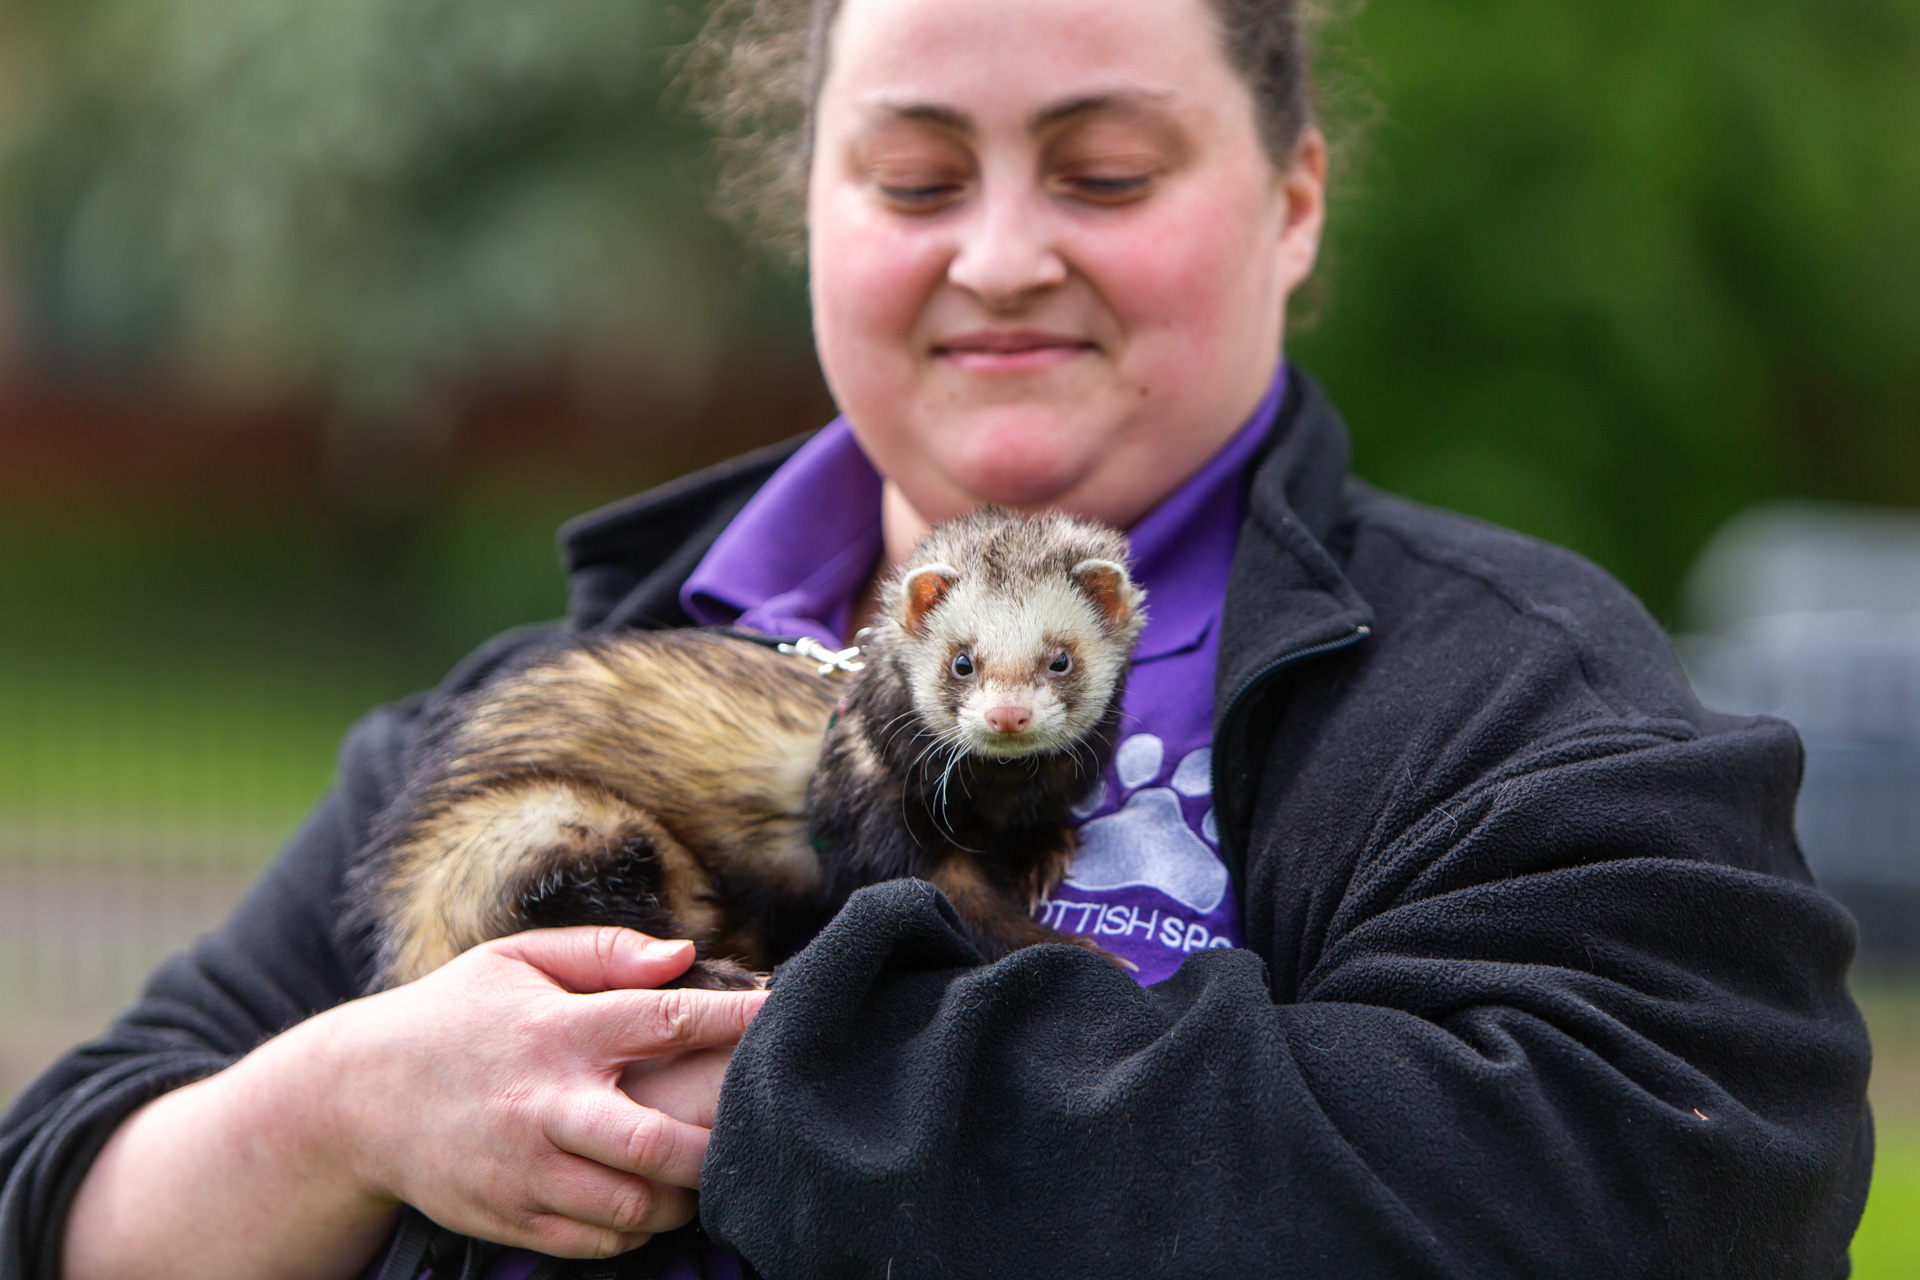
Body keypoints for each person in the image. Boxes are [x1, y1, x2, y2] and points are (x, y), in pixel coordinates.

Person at [0, 0, 1874, 1275]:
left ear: (1296, 204)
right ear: (803, 208)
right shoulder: (570, 701)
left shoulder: (1510, 697)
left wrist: (744, 1091)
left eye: (1108, 172)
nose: (995, 256)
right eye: (910, 179)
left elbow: (1687, 1182)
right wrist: (345, 1105)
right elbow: (71, 1185)